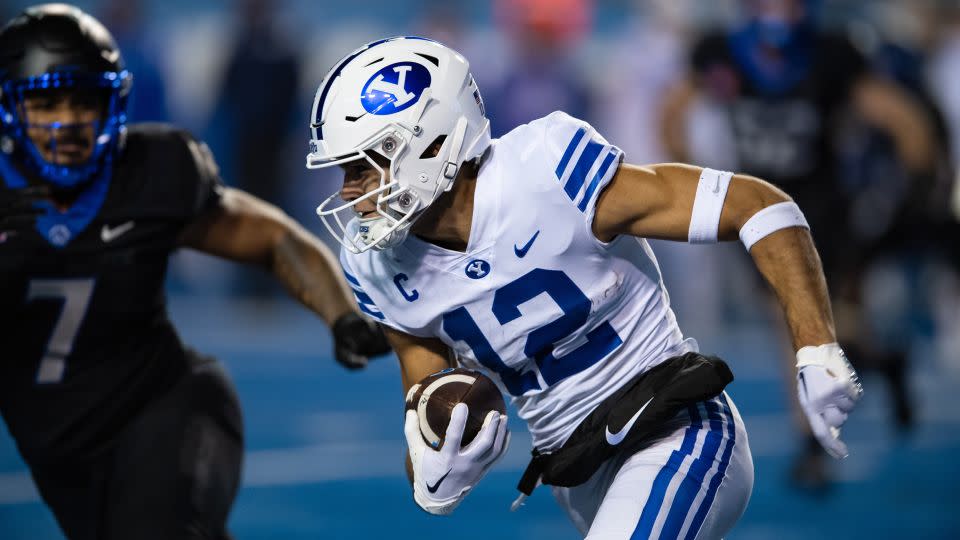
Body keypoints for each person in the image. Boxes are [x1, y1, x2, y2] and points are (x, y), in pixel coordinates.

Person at [305, 36, 863, 539]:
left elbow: (759, 206)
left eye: (364, 166)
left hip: (678, 433)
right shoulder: (374, 263)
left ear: (432, 144)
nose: (351, 193)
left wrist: (816, 344)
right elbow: (426, 404)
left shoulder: (547, 170)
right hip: (576, 475)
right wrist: (436, 464)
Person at [0, 5, 389, 540]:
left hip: (165, 408)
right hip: (60, 451)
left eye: (83, 100)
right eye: (46, 103)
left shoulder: (149, 172)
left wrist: (343, 315)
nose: (67, 121)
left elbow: (273, 237)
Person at [659, 0, 937, 488]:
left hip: (826, 211)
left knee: (833, 330)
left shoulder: (830, 52)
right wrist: (699, 180)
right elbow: (673, 113)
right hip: (759, 209)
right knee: (793, 326)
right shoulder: (721, 52)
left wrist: (912, 188)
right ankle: (814, 440)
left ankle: (877, 366)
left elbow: (902, 120)